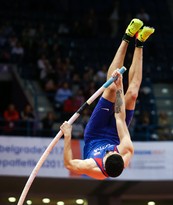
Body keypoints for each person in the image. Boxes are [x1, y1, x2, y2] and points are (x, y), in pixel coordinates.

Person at [60, 19, 155, 180]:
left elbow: (69, 164)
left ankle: (127, 36)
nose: (110, 150)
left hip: (95, 132)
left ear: (103, 163)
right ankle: (139, 42)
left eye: (109, 153)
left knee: (109, 88)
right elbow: (120, 117)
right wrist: (120, 86)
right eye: (113, 151)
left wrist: (67, 135)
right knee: (132, 94)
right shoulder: (126, 150)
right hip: (115, 133)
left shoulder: (93, 168)